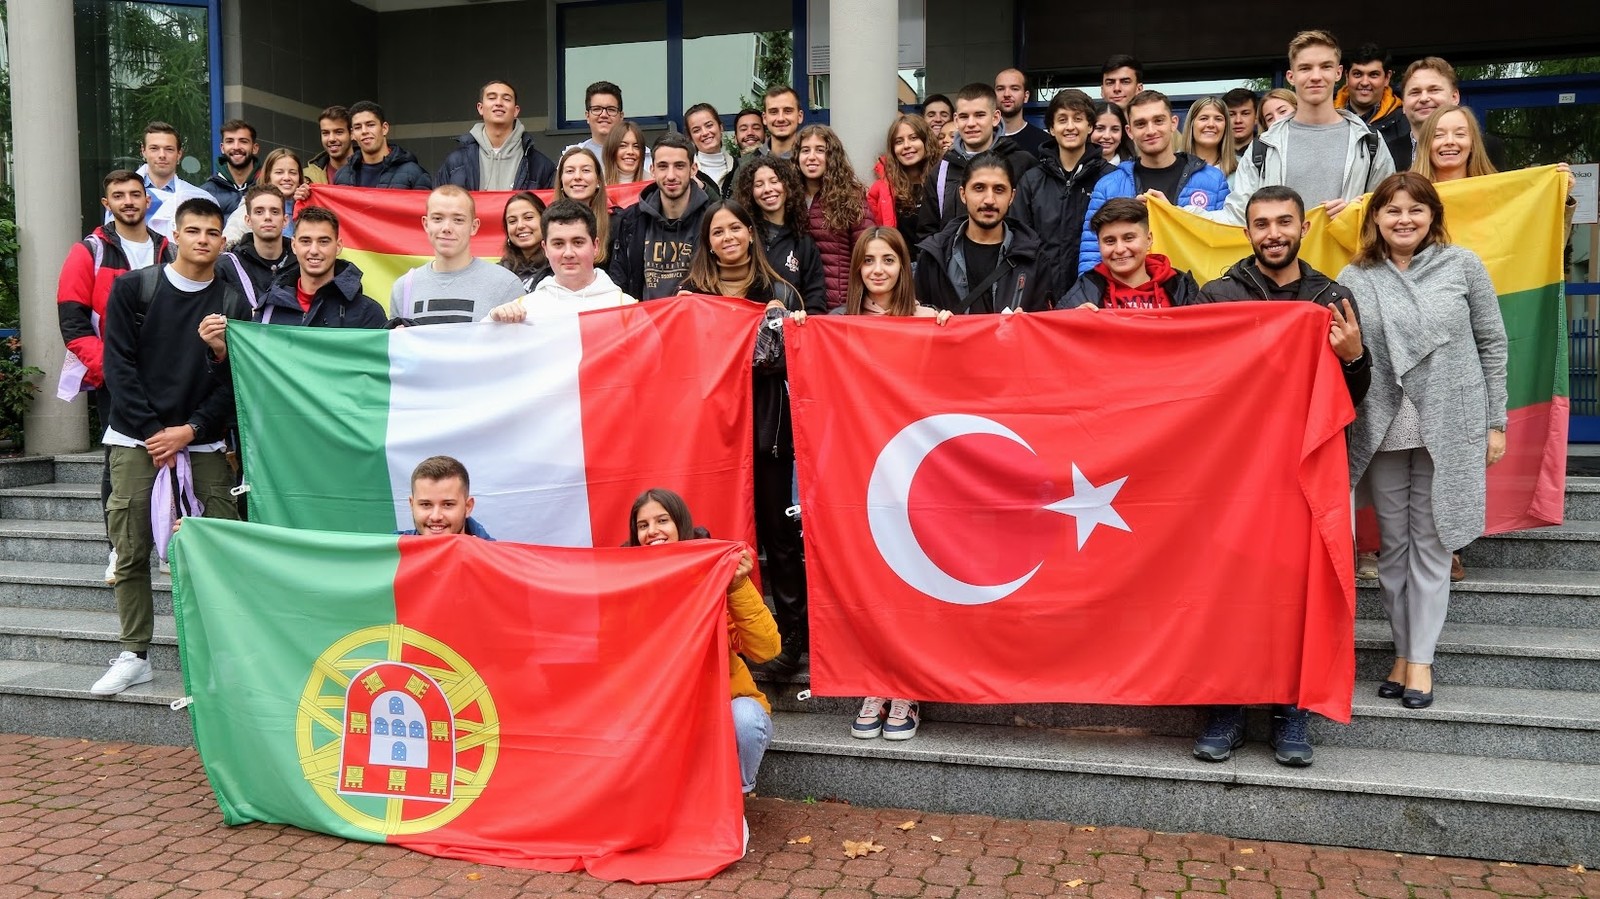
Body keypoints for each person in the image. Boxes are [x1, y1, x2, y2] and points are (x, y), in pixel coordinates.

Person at [1188, 185, 1372, 767]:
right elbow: (1189, 379)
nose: (1274, 233)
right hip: (1233, 472)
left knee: (1297, 592)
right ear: (1247, 232)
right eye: (1262, 223)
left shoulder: (1333, 296)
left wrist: (1354, 356)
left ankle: (1292, 711)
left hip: (1304, 470)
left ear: (1303, 228)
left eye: (1284, 222)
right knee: (1228, 591)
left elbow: (1354, 396)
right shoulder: (1217, 296)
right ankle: (1225, 707)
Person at [1339, 172, 1507, 712]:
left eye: (1415, 209)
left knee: (1433, 546)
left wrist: (1495, 422)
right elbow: (1344, 350)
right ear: (1376, 219)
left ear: (1433, 215)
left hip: (1450, 422)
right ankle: (1402, 651)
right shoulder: (1356, 276)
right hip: (1385, 424)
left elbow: (1492, 344)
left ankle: (1420, 661)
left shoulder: (1463, 266)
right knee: (1393, 548)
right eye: (1392, 210)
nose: (1404, 219)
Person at [92, 198, 242, 696]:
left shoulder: (232, 301)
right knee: (131, 549)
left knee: (216, 549)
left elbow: (236, 381)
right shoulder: (135, 288)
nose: (203, 239)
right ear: (174, 235)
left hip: (202, 443)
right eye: (193, 230)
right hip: (136, 439)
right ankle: (134, 653)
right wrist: (155, 431)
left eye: (212, 232)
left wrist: (190, 430)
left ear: (223, 241)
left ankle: (220, 656)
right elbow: (118, 366)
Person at [58, 170, 175, 585]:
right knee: (120, 462)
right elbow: (72, 321)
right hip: (115, 377)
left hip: (167, 374)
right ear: (107, 204)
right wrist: (109, 370)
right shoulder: (89, 251)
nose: (128, 201)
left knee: (171, 457)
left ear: (148, 200)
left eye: (135, 194)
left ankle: (169, 547)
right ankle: (119, 549)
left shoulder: (169, 249)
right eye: (119, 195)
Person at [628, 488, 778, 794]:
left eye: (662, 520)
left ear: (680, 524)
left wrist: (737, 588)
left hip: (720, 708)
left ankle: (735, 798)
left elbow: (766, 649)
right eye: (643, 525)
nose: (652, 531)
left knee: (746, 718)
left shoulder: (714, 575)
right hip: (662, 712)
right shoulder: (627, 588)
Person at [1219, 30, 1395, 226]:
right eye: (1305, 68)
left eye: (1325, 67)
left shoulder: (1370, 141)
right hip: (1282, 247)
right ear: (1291, 76)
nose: (1316, 76)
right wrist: (1189, 217)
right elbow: (1237, 217)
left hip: (1349, 247)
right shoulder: (1263, 146)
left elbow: (1389, 209)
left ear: (1338, 73)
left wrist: (1357, 214)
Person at [1078, 90, 1229, 275]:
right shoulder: (1108, 186)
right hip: (1128, 291)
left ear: (1173, 123)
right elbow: (1092, 254)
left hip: (1194, 289)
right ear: (1129, 131)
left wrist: (1176, 215)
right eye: (1140, 124)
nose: (1150, 131)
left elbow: (1222, 243)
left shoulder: (1213, 180)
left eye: (1158, 121)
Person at [202, 205, 386, 347]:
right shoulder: (268, 310)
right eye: (306, 241)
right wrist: (221, 352)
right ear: (294, 246)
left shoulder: (367, 313)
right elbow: (254, 372)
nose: (314, 250)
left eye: (323, 241)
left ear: (338, 247)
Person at [1013, 89, 1116, 302]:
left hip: (1098, 296)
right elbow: (1020, 242)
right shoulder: (1031, 180)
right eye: (1062, 120)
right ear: (1051, 128)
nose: (1070, 126)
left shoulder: (1110, 178)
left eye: (1078, 119)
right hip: (1041, 297)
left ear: (1090, 126)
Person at [915, 152, 1049, 314]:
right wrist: (933, 313)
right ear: (963, 194)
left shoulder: (1033, 258)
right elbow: (917, 317)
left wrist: (1027, 323)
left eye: (999, 189)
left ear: (1012, 196)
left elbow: (1044, 321)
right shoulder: (934, 257)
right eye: (979, 188)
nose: (989, 200)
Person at [915, 83, 1037, 240]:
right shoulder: (941, 171)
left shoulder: (1022, 163)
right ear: (956, 120)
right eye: (964, 116)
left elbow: (1037, 224)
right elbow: (927, 231)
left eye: (979, 115)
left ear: (995, 118)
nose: (971, 123)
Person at [390, 186, 526, 324]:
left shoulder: (505, 284)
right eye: (438, 218)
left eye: (458, 220)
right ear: (426, 224)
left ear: (474, 226)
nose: (447, 228)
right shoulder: (403, 288)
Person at [488, 199, 636, 321]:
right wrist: (493, 322)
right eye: (558, 244)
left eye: (578, 242)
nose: (568, 253)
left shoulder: (628, 309)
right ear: (545, 249)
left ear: (595, 246)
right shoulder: (523, 310)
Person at [610, 132, 712, 299]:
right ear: (653, 170)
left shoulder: (712, 220)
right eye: (663, 166)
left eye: (679, 166)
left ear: (693, 169)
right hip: (643, 314)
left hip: (695, 314)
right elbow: (618, 283)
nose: (671, 176)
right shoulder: (630, 220)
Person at [1063, 198, 1199, 309]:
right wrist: (1074, 323)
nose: (1120, 249)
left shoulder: (1181, 287)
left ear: (1149, 240)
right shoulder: (1084, 291)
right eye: (1110, 241)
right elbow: (1055, 331)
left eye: (1129, 238)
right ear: (1099, 244)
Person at [732, 156, 828, 314]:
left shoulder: (803, 241)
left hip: (790, 326)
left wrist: (802, 320)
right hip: (746, 324)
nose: (768, 189)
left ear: (787, 186)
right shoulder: (743, 236)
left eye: (774, 181)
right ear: (750, 192)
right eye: (759, 184)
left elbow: (815, 299)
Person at [796, 125, 875, 310]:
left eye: (820, 150)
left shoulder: (850, 196)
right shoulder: (790, 196)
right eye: (805, 150)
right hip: (801, 303)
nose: (811, 157)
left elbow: (866, 250)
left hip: (840, 304)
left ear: (832, 156)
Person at [434, 79, 557, 192]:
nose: (499, 103)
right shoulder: (455, 162)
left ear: (516, 111)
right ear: (480, 108)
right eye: (492, 98)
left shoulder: (540, 165)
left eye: (506, 99)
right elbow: (438, 203)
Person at [120, 122, 211, 238]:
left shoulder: (199, 198)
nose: (162, 155)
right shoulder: (120, 196)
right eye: (154, 148)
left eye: (169, 149)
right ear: (143, 151)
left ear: (179, 154)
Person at [216, 184, 297, 309]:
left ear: (285, 220)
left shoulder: (301, 264)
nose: (267, 217)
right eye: (259, 212)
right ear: (248, 220)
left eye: (275, 212)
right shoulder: (227, 266)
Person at [843, 227, 950, 321]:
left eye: (888, 260)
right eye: (868, 260)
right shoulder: (840, 321)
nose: (878, 270)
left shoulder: (929, 318)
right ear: (858, 267)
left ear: (902, 266)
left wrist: (951, 328)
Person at [865, 114, 935, 254]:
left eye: (913, 138)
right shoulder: (882, 188)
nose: (906, 146)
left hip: (936, 262)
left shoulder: (942, 180)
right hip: (900, 262)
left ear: (926, 141)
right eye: (899, 141)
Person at [334, 101, 432, 190]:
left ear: (384, 128)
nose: (364, 131)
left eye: (370, 125)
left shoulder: (414, 174)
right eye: (358, 127)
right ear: (352, 134)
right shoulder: (342, 176)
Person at [222, 147, 303, 244]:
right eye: (279, 172)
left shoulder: (306, 207)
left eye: (293, 173)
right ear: (268, 176)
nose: (287, 178)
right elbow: (228, 243)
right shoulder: (249, 207)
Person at [1336, 43, 1408, 150]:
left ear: (1387, 78)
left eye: (1373, 75)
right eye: (1357, 74)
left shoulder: (1405, 121)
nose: (1364, 82)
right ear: (1347, 76)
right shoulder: (1327, 118)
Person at [400, 456, 494, 539]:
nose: (435, 517)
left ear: (468, 507)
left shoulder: (491, 553)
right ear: (412, 505)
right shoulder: (393, 551)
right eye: (426, 504)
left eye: (448, 505)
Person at [553, 147, 613, 266]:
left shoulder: (617, 223)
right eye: (570, 171)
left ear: (598, 180)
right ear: (561, 181)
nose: (577, 177)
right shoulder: (548, 223)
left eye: (585, 170)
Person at [200, 119, 260, 220]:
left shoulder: (267, 186)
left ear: (255, 148)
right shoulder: (205, 193)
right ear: (222, 148)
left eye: (243, 141)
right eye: (230, 141)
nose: (236, 147)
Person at [567, 80, 627, 166]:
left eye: (611, 109)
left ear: (621, 116)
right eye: (597, 109)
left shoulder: (641, 155)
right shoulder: (571, 156)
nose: (604, 115)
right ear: (587, 116)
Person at [995, 68, 1053, 157]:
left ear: (1026, 96)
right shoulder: (982, 139)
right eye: (1000, 89)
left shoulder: (1044, 143)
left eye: (1014, 89)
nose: (1006, 94)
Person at [1181, 97, 1239, 184]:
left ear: (1226, 126)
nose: (1211, 124)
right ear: (1191, 124)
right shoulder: (1173, 166)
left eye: (1218, 119)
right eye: (1204, 118)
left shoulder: (1242, 168)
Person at [499, 191, 549, 291]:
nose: (520, 226)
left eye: (528, 218)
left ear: (544, 221)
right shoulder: (499, 272)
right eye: (512, 221)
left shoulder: (559, 267)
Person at [686, 103, 734, 196]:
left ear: (720, 127)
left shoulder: (740, 168)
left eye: (709, 125)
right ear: (691, 138)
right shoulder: (688, 174)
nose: (704, 133)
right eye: (696, 130)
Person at [303, 106, 352, 185]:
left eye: (338, 132)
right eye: (325, 133)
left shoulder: (369, 171)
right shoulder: (305, 177)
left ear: (352, 134)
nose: (331, 139)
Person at [762, 85, 805, 159]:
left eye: (788, 111)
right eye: (773, 112)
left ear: (800, 116)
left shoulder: (813, 161)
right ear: (765, 118)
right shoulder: (747, 162)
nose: (780, 118)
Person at [603, 120, 647, 186]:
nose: (630, 152)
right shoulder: (597, 183)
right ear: (611, 150)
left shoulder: (653, 185)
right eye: (623, 146)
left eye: (636, 146)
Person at [1090, 100, 1134, 165]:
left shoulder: (1134, 168)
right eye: (1100, 128)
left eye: (1115, 129)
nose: (1107, 136)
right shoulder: (1077, 168)